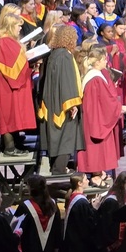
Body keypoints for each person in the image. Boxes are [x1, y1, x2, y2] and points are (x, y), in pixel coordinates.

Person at [38, 24, 84, 175]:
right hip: (62, 103)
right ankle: (59, 170)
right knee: (65, 135)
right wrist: (72, 104)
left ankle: (56, 167)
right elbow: (66, 81)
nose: (76, 39)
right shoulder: (64, 56)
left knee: (56, 137)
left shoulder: (54, 53)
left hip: (52, 101)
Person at [0, 6, 34, 157]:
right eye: (18, 26)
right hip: (6, 87)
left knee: (11, 115)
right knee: (7, 115)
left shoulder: (6, 40)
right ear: (10, 26)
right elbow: (12, 68)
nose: (20, 29)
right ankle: (9, 148)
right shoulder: (4, 42)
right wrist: (27, 57)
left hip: (6, 85)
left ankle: (13, 144)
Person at [78, 43, 126, 184]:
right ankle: (96, 176)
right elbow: (104, 101)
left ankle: (99, 172)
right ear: (97, 62)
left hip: (94, 116)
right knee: (96, 149)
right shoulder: (95, 79)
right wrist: (119, 108)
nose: (107, 61)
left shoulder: (96, 75)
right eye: (105, 59)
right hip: (95, 119)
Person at [15, 174, 62, 252]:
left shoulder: (24, 207)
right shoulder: (53, 205)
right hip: (49, 251)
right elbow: (57, 228)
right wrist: (56, 247)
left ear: (31, 188)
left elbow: (16, 228)